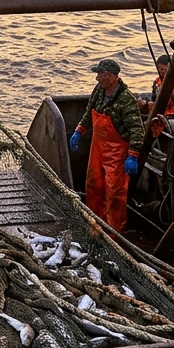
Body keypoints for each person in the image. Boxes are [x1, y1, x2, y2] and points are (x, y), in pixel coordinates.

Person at [69, 58, 144, 230]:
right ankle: (95, 222)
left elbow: (136, 129)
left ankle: (114, 230)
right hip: (98, 147)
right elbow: (89, 112)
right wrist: (79, 130)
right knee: (93, 184)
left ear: (113, 76)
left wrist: (133, 156)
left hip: (116, 152)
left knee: (115, 191)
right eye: (98, 74)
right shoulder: (98, 90)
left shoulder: (126, 99)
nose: (98, 78)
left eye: (102, 75)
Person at [138, 54, 174, 137]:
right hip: (159, 113)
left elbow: (170, 103)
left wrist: (148, 105)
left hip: (173, 116)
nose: (161, 71)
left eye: (163, 69)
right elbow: (154, 99)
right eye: (159, 69)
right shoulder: (157, 82)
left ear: (170, 68)